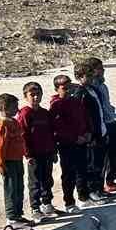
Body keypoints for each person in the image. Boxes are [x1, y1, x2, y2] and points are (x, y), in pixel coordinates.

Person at [48, 73, 93, 209]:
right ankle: (69, 202)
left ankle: (83, 197)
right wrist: (74, 138)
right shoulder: (56, 105)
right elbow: (58, 127)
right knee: (68, 173)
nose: (68, 90)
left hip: (82, 141)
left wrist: (88, 132)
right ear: (57, 89)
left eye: (69, 87)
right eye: (64, 88)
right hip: (66, 144)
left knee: (82, 170)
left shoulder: (76, 101)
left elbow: (85, 118)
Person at [16, 81, 57, 220]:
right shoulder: (25, 114)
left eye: (38, 94)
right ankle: (35, 208)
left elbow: (51, 133)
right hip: (34, 154)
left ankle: (47, 203)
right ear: (25, 96)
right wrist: (28, 155)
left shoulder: (45, 113)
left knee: (47, 179)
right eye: (32, 95)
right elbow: (23, 135)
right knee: (35, 181)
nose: (35, 97)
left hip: (47, 152)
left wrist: (54, 151)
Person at [0, 91, 30, 230]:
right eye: (14, 107)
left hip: (17, 159)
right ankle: (11, 217)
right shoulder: (2, 124)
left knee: (19, 187)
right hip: (8, 162)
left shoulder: (14, 122)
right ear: (5, 108)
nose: (17, 109)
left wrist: (25, 154)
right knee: (11, 189)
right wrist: (0, 163)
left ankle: (18, 214)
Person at [89, 60, 116, 193]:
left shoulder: (103, 86)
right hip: (102, 125)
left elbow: (106, 105)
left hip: (111, 121)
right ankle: (99, 186)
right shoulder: (92, 88)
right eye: (99, 68)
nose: (103, 70)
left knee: (114, 154)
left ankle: (111, 181)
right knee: (102, 158)